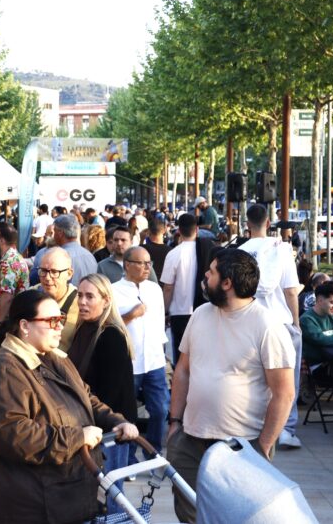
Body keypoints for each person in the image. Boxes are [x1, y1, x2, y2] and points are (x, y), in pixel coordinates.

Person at [0, 289, 137, 523]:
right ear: (24, 326)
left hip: (62, 496)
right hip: (30, 505)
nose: (60, 326)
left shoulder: (55, 356)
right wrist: (76, 437)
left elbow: (85, 396)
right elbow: (13, 435)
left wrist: (116, 420)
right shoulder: (5, 370)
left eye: (60, 319)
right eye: (51, 321)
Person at [167, 248, 296, 523]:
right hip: (190, 439)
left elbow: (284, 394)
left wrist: (262, 447)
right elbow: (182, 371)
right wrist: (175, 423)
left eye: (211, 272)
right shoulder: (200, 314)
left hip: (241, 446)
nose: (205, 275)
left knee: (234, 517)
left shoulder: (267, 326)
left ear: (227, 283)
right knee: (190, 514)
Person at [67, 274, 137, 515]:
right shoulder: (84, 328)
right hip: (94, 427)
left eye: (90, 296)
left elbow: (110, 392)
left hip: (111, 430)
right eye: (79, 295)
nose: (82, 302)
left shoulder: (111, 336)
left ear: (106, 300)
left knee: (113, 493)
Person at [237, 203, 303, 449]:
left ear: (247, 224)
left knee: (255, 378)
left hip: (250, 323)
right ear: (268, 223)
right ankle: (285, 428)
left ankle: (255, 424)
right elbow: (290, 291)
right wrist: (296, 323)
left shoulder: (240, 252)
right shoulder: (281, 250)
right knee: (287, 379)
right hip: (280, 321)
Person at [113, 246, 169, 458]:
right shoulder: (113, 290)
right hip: (130, 362)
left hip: (154, 361)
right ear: (128, 265)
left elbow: (160, 323)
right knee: (128, 414)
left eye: (149, 263)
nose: (147, 267)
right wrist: (131, 315)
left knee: (160, 409)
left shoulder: (154, 289)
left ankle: (152, 451)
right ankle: (129, 455)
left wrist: (163, 355)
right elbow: (110, 325)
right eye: (142, 263)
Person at [160, 213, 202, 365]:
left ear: (178, 230)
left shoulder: (173, 253)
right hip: (202, 309)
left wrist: (164, 311)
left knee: (181, 358)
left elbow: (168, 288)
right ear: (196, 229)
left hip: (179, 313)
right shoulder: (205, 251)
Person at [299, 282, 333, 384]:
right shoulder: (306, 320)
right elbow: (321, 339)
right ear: (319, 300)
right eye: (332, 302)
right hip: (320, 368)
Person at [0, 223, 29, 346]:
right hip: (9, 320)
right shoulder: (11, 258)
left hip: (7, 323)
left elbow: (7, 296)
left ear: (1, 241)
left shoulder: (10, 262)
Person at [31, 214, 98, 290]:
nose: (53, 235)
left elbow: (47, 286)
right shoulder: (90, 256)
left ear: (60, 233)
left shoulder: (58, 256)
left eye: (55, 231)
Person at [33, 247, 80, 351]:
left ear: (69, 274)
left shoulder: (80, 303)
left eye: (54, 272)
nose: (47, 277)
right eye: (43, 271)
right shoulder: (30, 296)